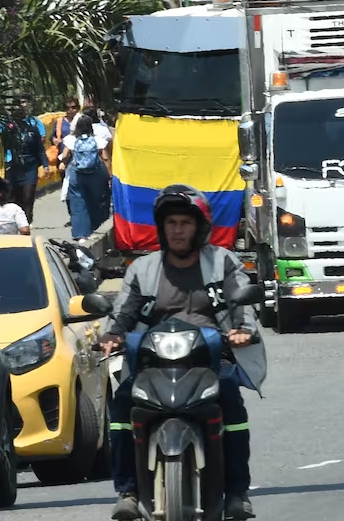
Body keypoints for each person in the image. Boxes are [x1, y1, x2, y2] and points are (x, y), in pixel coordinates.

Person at [99, 185, 261, 521]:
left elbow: (240, 302)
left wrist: (243, 332)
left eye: (184, 223)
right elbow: (124, 312)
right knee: (122, 404)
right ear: (162, 227)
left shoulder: (222, 261)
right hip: (151, 363)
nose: (177, 230)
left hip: (211, 359)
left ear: (199, 227)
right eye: (171, 222)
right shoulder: (143, 269)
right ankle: (127, 490)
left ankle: (237, 493)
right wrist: (113, 335)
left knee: (230, 400)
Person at [0, 94, 49, 224]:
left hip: (30, 167)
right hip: (13, 166)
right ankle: (15, 223)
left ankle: (26, 223)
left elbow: (40, 148)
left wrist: (45, 165)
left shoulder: (32, 128)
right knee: (13, 198)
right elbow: (0, 137)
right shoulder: (7, 128)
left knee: (28, 197)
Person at [59, 117, 111, 242]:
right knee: (95, 202)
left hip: (77, 175)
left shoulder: (71, 140)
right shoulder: (98, 140)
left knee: (78, 204)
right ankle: (93, 229)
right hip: (95, 175)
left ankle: (79, 234)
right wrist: (110, 175)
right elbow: (105, 159)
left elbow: (64, 156)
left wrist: (63, 162)